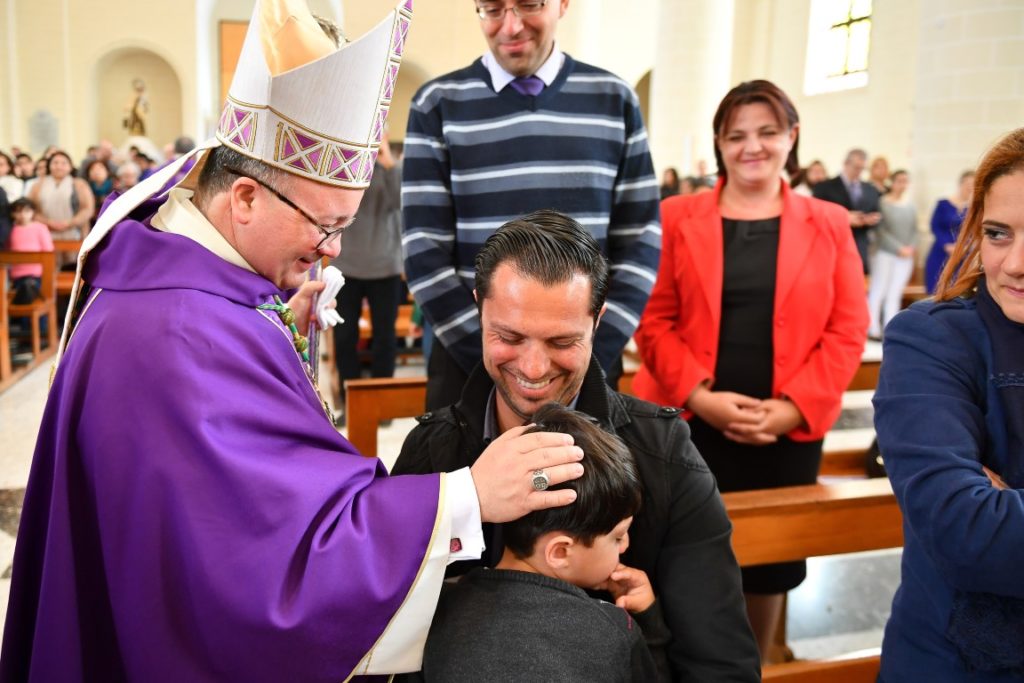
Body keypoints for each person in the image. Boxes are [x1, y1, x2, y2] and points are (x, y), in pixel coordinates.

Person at [0, 2, 587, 680]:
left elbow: (245, 473)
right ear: (245, 197)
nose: (332, 249)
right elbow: (261, 570)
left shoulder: (191, 281)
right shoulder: (180, 333)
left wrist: (276, 328)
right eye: (325, 225)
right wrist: (467, 497)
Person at [393, 210, 760, 681]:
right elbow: (382, 633)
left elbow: (721, 664)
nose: (532, 368)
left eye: (562, 341)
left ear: (597, 320)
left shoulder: (663, 454)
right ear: (479, 308)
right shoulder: (432, 454)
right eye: (508, 336)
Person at [632, 80, 869, 663]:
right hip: (688, 425)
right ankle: (679, 665)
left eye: (767, 132)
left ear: (792, 136)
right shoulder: (677, 215)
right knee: (678, 555)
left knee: (770, 565)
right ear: (719, 143)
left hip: (783, 432)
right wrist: (701, 396)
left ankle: (757, 664)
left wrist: (794, 407)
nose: (752, 146)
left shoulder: (829, 221)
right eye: (735, 135)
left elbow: (847, 328)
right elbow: (654, 319)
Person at [403, 0, 661, 410]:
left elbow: (640, 239)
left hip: (585, 361)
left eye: (528, 5)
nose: (510, 26)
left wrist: (588, 350)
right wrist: (497, 354)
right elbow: (422, 247)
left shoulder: (614, 100)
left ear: (562, 5)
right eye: (492, 9)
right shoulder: (437, 104)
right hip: (470, 365)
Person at [874, 127, 1024, 682]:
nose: (1015, 263)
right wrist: (988, 517)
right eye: (998, 234)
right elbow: (966, 533)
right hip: (958, 662)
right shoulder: (932, 337)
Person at [415, 403, 670, 683]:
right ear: (560, 552)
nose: (625, 546)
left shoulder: (438, 608)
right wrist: (647, 619)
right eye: (617, 537)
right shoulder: (613, 630)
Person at [332, 130, 403, 417]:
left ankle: (381, 406)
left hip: (385, 266)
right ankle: (351, 404)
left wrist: (387, 160)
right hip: (347, 264)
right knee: (344, 337)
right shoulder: (346, 161)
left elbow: (400, 201)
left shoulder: (392, 167)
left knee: (385, 338)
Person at [866, 169, 918, 339]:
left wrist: (911, 247)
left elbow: (915, 230)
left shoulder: (910, 205)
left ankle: (890, 328)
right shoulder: (882, 202)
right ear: (893, 182)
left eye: (906, 181)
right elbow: (881, 231)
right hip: (885, 253)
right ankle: (872, 328)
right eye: (900, 181)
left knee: (895, 292)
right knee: (878, 289)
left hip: (905, 256)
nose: (903, 184)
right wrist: (898, 248)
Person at [814, 148, 882, 273]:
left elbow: (876, 214)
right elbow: (817, 216)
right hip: (833, 246)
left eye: (862, 169)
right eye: (856, 167)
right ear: (845, 163)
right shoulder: (824, 187)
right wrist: (844, 218)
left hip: (860, 247)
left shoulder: (870, 189)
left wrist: (869, 220)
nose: (859, 172)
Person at [28, 150, 94, 249]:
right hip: (46, 232)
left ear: (70, 166)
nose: (59, 166)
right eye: (55, 163)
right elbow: (31, 209)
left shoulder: (80, 184)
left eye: (63, 163)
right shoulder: (37, 185)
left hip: (75, 233)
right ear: (49, 166)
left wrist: (70, 223)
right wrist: (48, 222)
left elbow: (87, 209)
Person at [924, 169, 975, 294]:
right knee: (936, 286)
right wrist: (946, 244)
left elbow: (974, 230)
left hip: (963, 252)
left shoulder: (974, 208)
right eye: (967, 184)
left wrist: (964, 247)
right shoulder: (943, 203)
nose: (969, 187)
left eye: (973, 185)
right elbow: (934, 226)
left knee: (957, 290)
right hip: (941, 250)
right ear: (960, 184)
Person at [5, 197, 54, 304]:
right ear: (12, 213)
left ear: (33, 212)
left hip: (37, 274)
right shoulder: (10, 229)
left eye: (27, 211)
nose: (22, 215)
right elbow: (7, 251)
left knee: (32, 290)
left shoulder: (40, 228)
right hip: (17, 275)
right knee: (21, 292)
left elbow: (48, 251)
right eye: (18, 211)